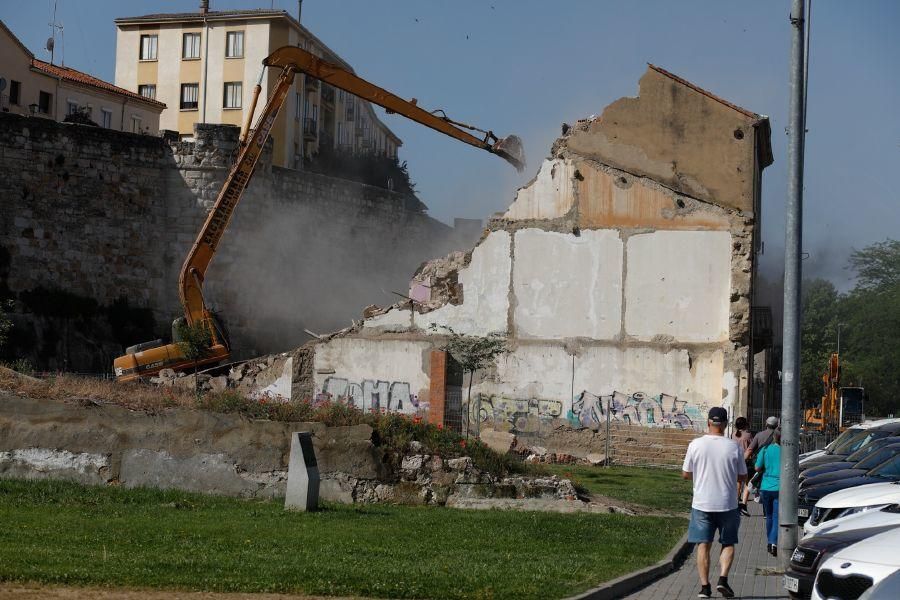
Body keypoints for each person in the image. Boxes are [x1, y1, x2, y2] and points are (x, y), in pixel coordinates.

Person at [683, 407, 747, 599]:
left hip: (702, 503)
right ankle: (723, 579)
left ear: (708, 423)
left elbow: (686, 474)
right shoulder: (733, 446)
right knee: (728, 543)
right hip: (728, 503)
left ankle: (704, 587)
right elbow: (743, 475)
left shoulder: (695, 444)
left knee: (703, 545)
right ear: (726, 424)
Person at [742, 416, 778, 510]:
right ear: (777, 425)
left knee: (749, 483)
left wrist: (742, 461)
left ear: (766, 424)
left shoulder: (759, 435)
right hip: (772, 465)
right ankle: (766, 510)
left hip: (759, 463)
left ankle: (744, 505)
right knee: (766, 485)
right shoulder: (779, 436)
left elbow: (750, 449)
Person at [756, 428, 782, 556]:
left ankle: (769, 541)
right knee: (777, 516)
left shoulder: (765, 449)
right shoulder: (786, 452)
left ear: (774, 437)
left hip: (765, 487)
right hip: (779, 487)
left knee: (769, 515)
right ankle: (773, 543)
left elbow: (757, 467)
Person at [733, 416, 753, 516]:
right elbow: (752, 447)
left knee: (738, 483)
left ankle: (736, 503)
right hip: (746, 461)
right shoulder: (748, 435)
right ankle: (744, 504)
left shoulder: (733, 435)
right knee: (747, 483)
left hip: (736, 461)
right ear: (745, 424)